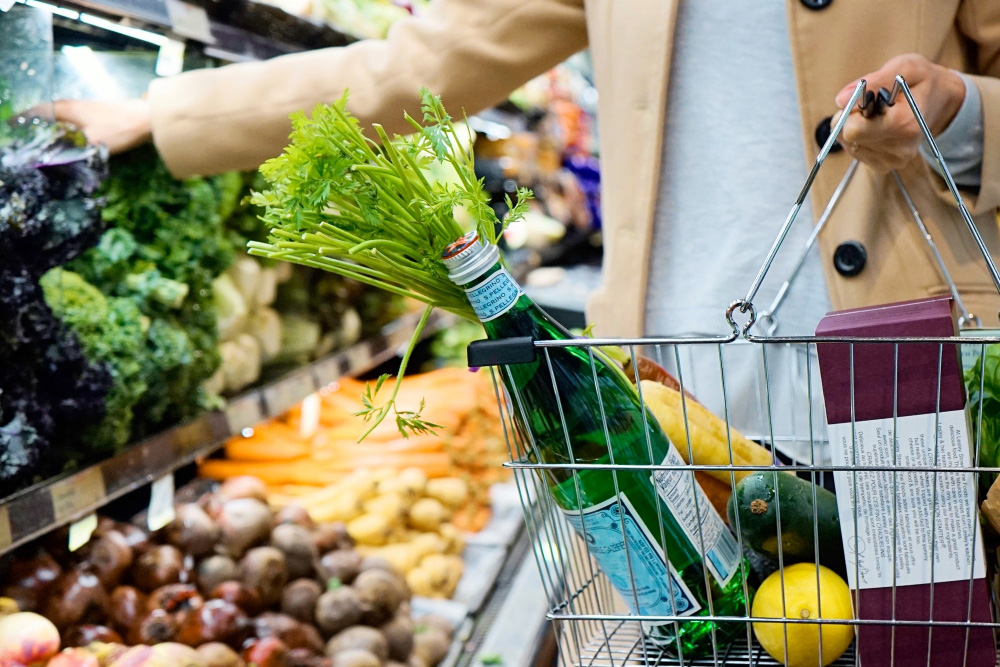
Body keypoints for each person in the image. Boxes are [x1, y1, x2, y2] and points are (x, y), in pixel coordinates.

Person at [52, 0, 1000, 462]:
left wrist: (958, 117)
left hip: (913, 363)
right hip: (667, 382)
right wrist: (172, 114)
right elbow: (419, 66)